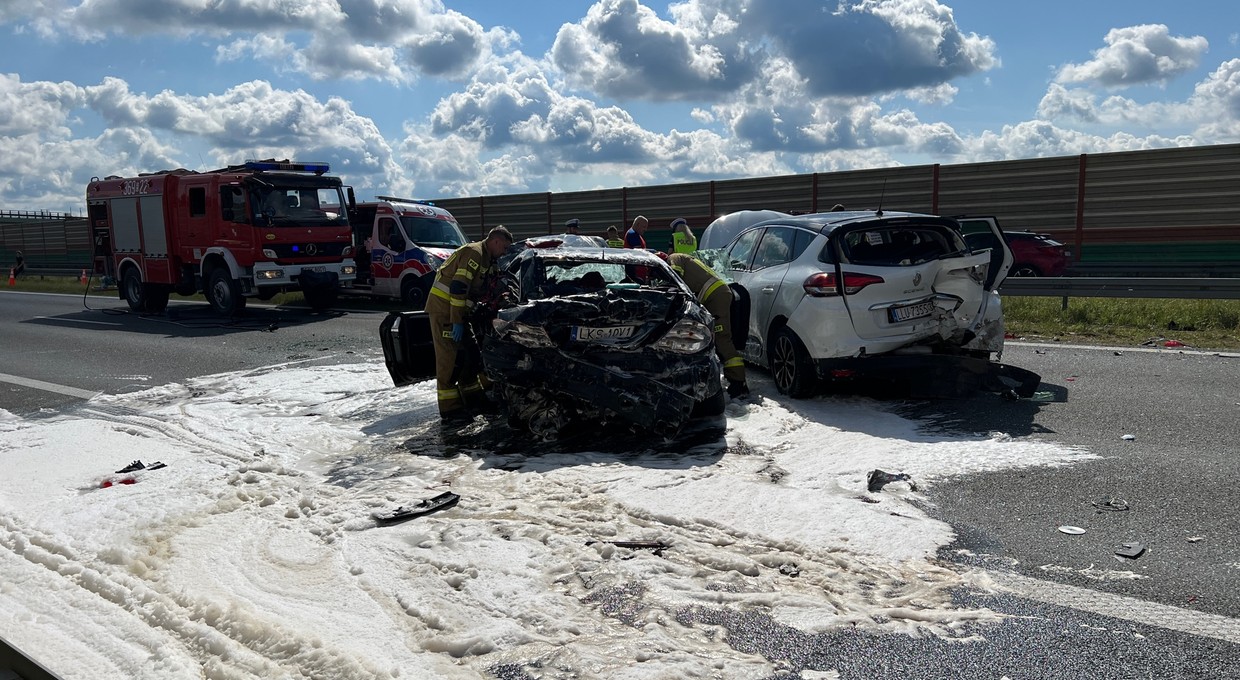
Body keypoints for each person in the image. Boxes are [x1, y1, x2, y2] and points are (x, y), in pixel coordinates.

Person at [424, 225, 514, 421]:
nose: (505, 252)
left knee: (471, 357)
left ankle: (474, 400)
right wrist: (456, 321)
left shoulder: (489, 259)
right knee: (449, 361)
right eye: (505, 248)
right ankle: (450, 411)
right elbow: (458, 288)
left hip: (459, 312)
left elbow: (493, 285)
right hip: (445, 311)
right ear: (496, 241)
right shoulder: (474, 253)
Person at [665, 252, 748, 398]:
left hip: (716, 296)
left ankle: (738, 382)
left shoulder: (674, 258)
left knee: (721, 337)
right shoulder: (684, 258)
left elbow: (674, 279)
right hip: (715, 295)